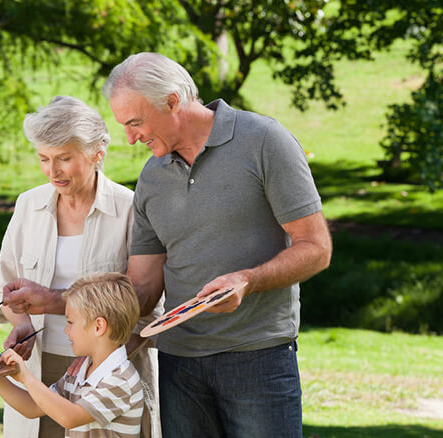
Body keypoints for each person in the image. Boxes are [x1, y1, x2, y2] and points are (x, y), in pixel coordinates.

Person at [98, 52, 333, 437]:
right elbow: (141, 287)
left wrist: (247, 280)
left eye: (136, 122)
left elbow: (316, 248)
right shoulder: (151, 178)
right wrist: (67, 309)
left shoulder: (264, 141)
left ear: (173, 101)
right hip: (178, 364)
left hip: (257, 358)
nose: (130, 138)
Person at [0, 96, 162, 438]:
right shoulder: (29, 205)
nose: (53, 171)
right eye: (44, 159)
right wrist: (21, 323)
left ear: (97, 153)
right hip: (37, 367)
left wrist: (55, 304)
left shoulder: (130, 210)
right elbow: (0, 287)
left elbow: (148, 306)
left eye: (64, 159)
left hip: (107, 377)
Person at [0, 273, 144, 438]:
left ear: (98, 326)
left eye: (70, 322)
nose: (66, 330)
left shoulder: (121, 379)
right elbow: (31, 407)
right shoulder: (79, 373)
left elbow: (70, 417)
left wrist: (26, 378)